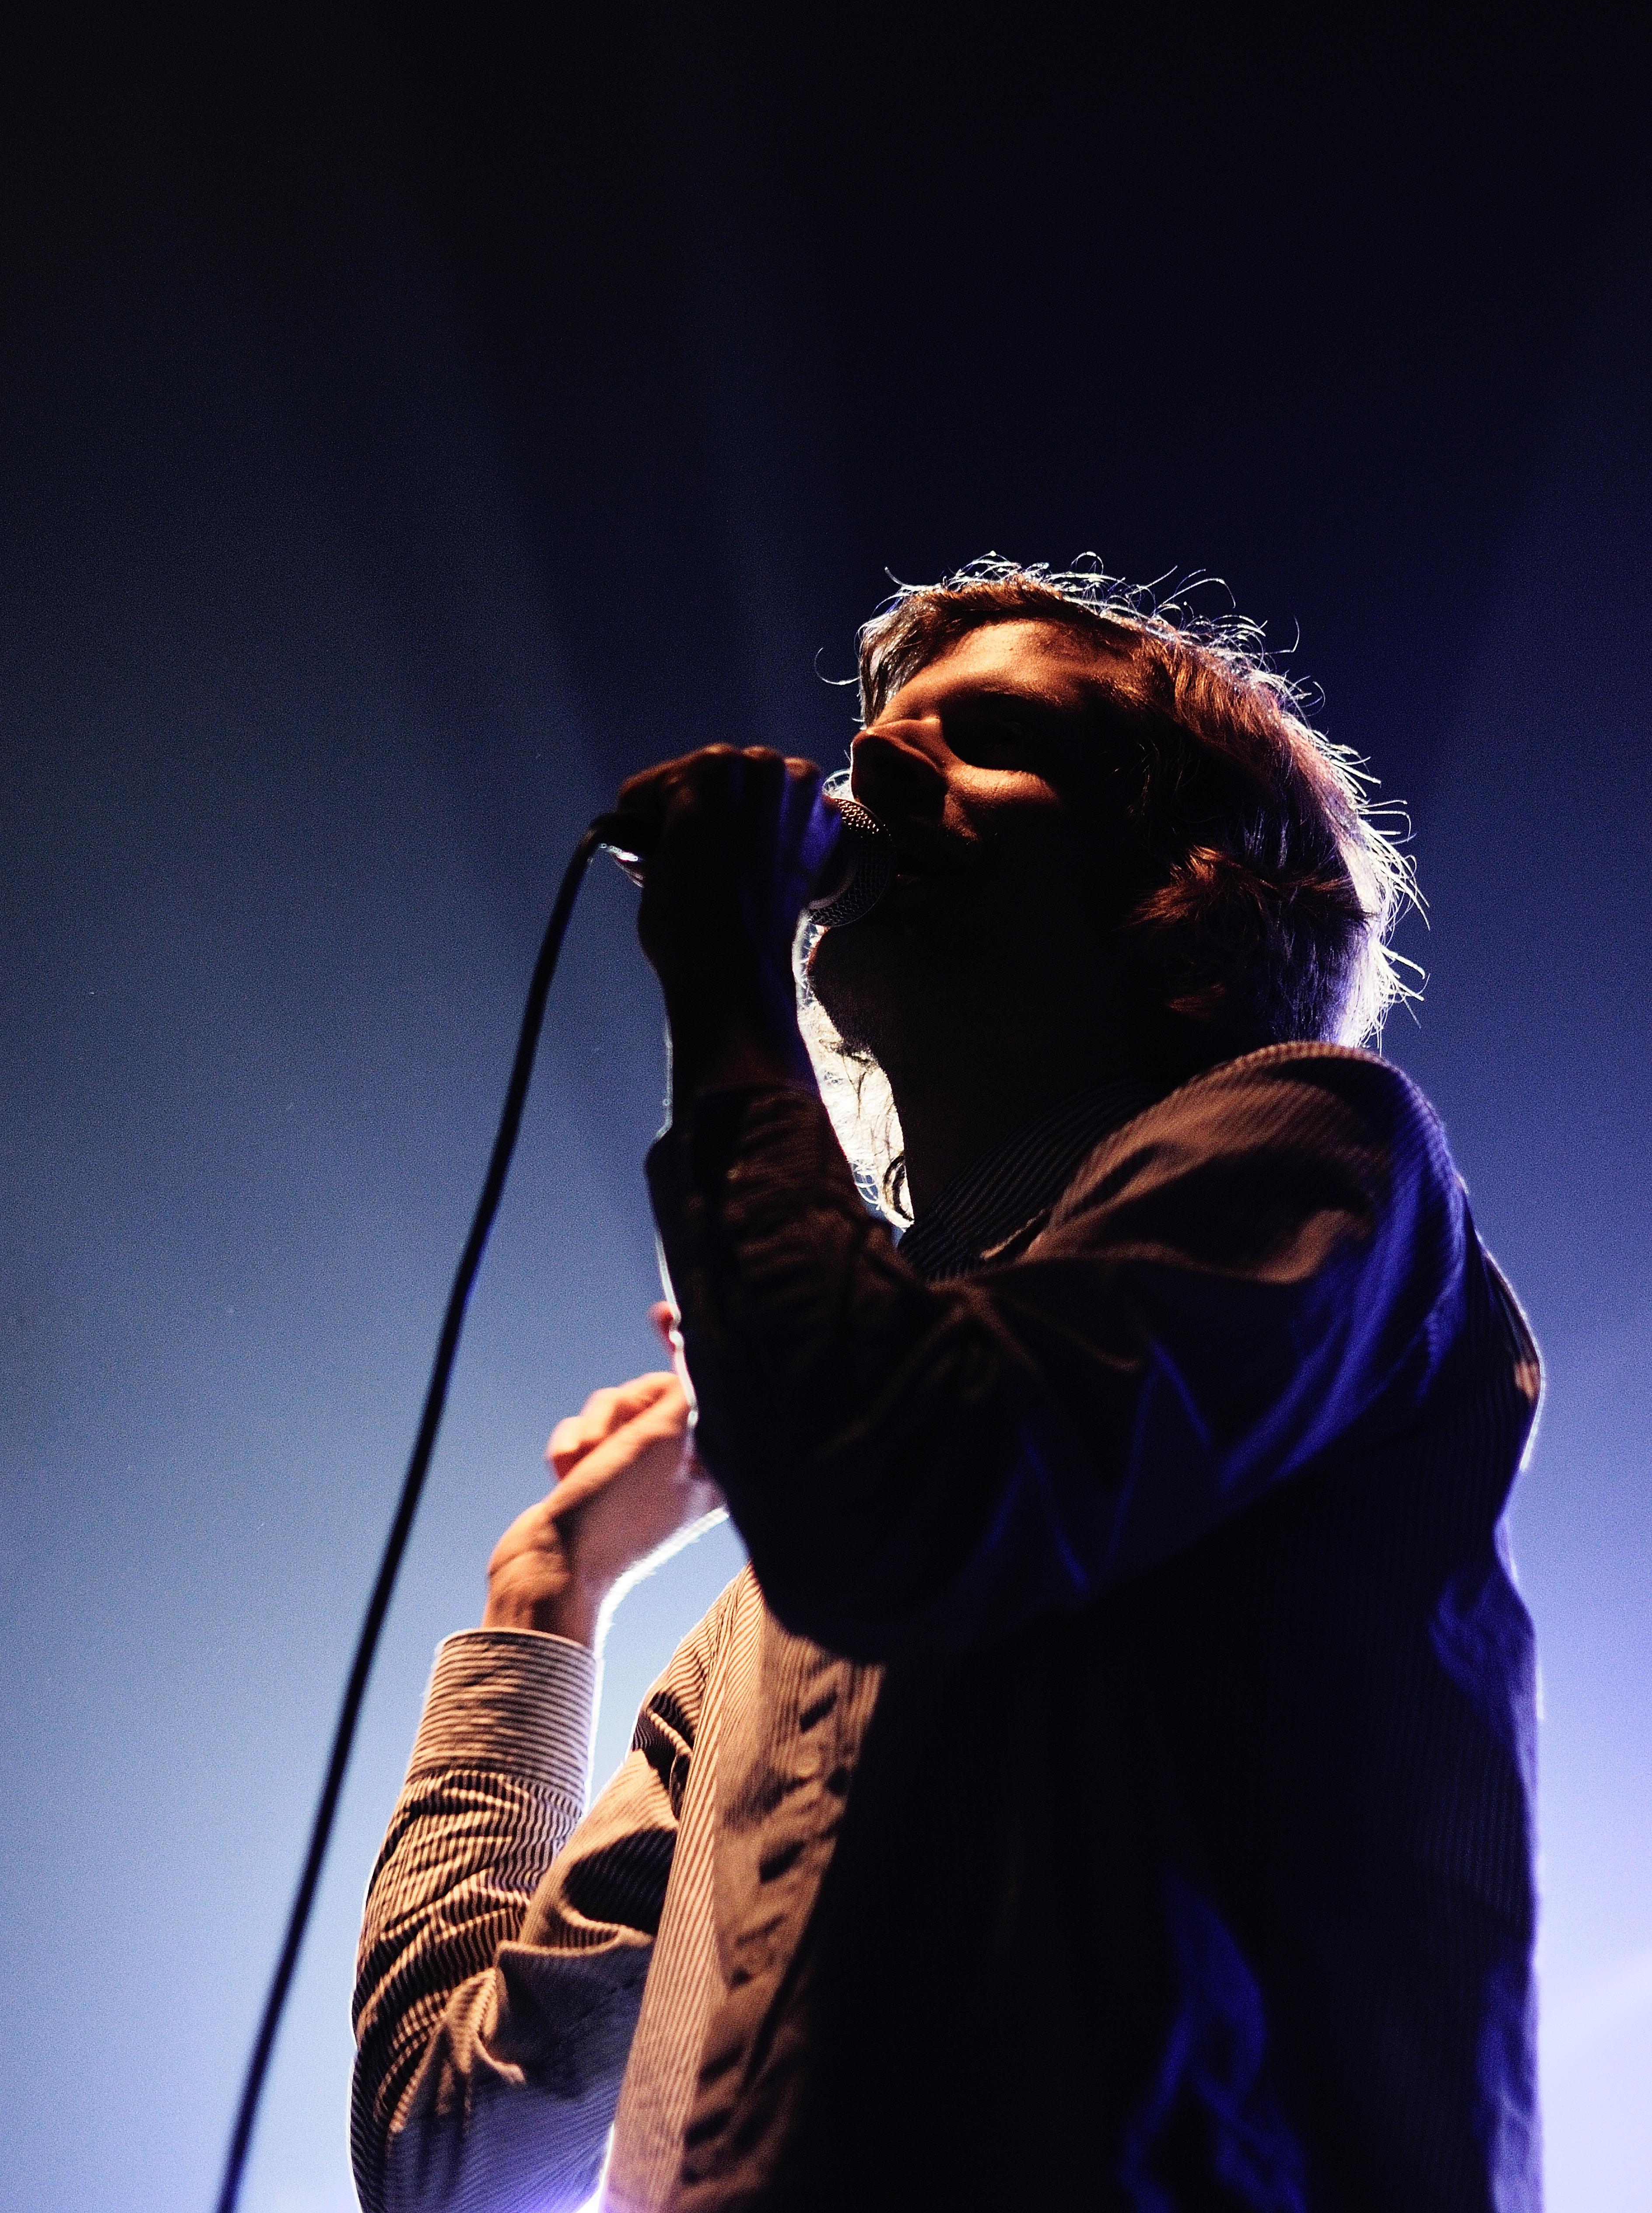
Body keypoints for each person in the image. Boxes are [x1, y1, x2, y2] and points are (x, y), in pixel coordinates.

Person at [351, 563, 1542, 2213]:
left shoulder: (1321, 1150)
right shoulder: (772, 1613)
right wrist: (547, 1593)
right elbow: (448, 2153)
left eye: (995, 737)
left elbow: (909, 1491)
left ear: (1195, 895)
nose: (876, 764)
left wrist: (723, 984)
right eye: (881, 734)